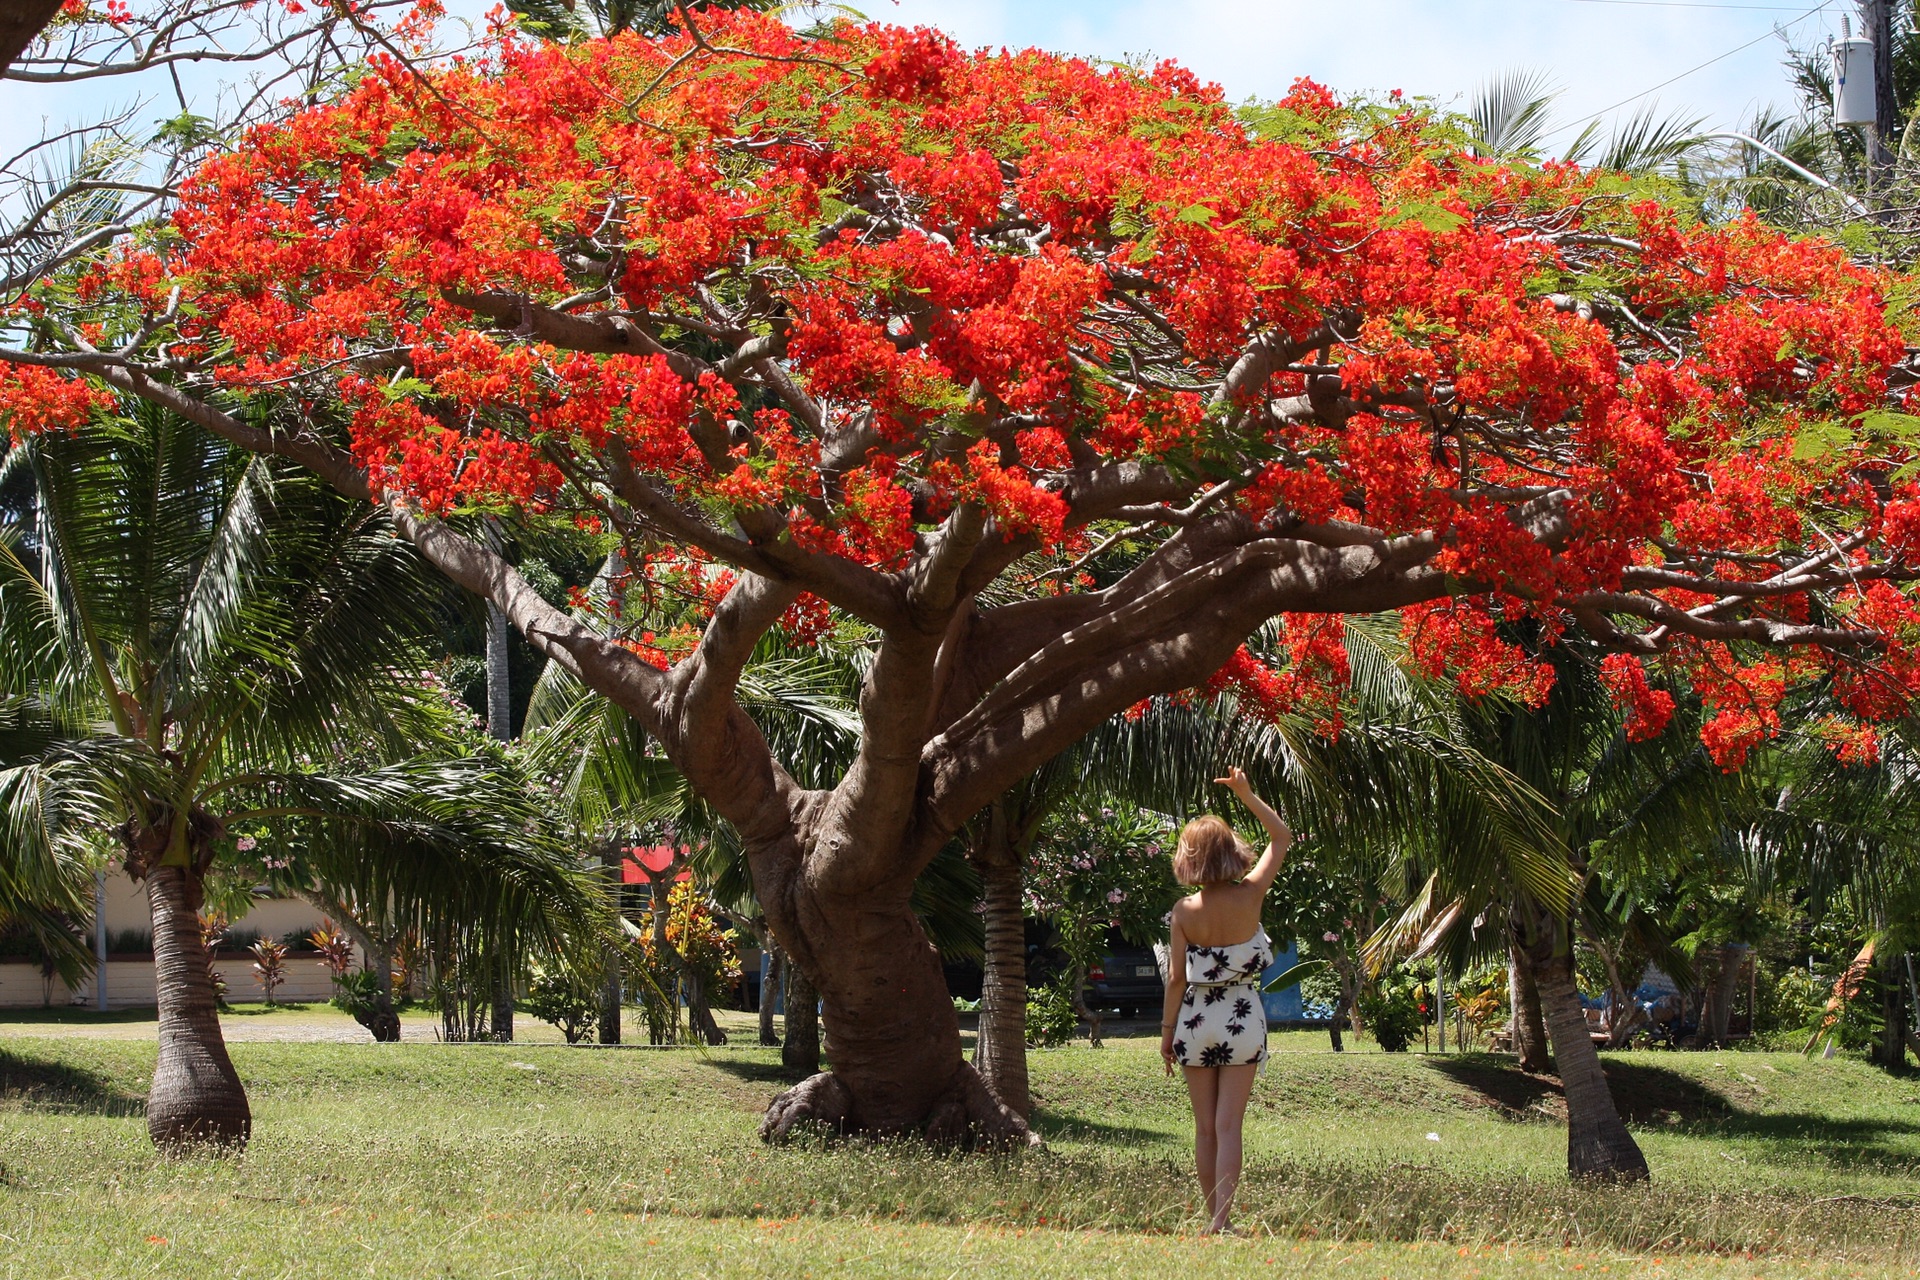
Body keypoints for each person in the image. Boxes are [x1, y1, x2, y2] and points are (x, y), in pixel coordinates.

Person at [1158, 765, 1291, 1236]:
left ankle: (1209, 1216)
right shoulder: (1251, 893)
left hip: (1196, 1016)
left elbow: (1176, 978)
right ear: (1231, 851)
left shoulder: (1183, 911)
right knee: (1230, 1126)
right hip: (1242, 1014)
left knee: (1205, 1129)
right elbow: (1281, 837)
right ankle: (1222, 1222)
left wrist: (1167, 1033)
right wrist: (1246, 794)